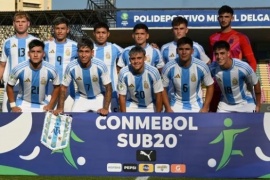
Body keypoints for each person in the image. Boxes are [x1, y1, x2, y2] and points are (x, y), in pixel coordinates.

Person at [209, 5, 258, 112]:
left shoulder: (241, 37)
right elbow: (213, 60)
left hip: (237, 84)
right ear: (218, 19)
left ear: (232, 18)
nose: (223, 19)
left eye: (227, 17)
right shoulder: (213, 38)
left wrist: (247, 80)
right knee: (213, 120)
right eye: (221, 17)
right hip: (218, 84)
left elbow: (252, 61)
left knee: (247, 120)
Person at [54, 37, 112, 115]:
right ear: (77, 52)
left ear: (92, 53)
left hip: (98, 97)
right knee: (74, 120)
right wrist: (60, 107)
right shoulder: (71, 66)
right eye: (81, 51)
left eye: (87, 52)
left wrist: (105, 108)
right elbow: (63, 87)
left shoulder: (101, 65)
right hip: (81, 97)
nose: (83, 55)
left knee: (106, 118)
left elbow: (108, 87)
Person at [162, 37, 214, 112]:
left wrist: (205, 107)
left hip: (196, 106)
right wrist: (168, 108)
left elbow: (210, 86)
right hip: (175, 105)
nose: (184, 52)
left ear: (192, 51)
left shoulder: (202, 66)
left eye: (187, 49)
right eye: (181, 49)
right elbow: (163, 88)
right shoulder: (168, 67)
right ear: (177, 51)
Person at [6, 39, 60, 112]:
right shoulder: (18, 68)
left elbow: (57, 87)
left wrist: (51, 105)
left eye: (38, 52)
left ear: (43, 54)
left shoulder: (51, 69)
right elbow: (9, 86)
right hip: (23, 103)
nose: (35, 55)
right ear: (28, 54)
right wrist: (13, 106)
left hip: (43, 105)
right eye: (33, 51)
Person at [0, 12, 38, 112]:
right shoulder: (7, 42)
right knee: (7, 117)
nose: (20, 24)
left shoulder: (36, 41)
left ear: (28, 23)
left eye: (23, 21)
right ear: (14, 24)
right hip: (10, 87)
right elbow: (2, 65)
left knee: (29, 119)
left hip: (29, 87)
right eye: (18, 22)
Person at [210, 40, 261, 112]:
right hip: (225, 105)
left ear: (228, 53)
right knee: (218, 122)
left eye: (222, 53)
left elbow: (256, 83)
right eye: (216, 54)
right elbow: (203, 79)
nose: (219, 57)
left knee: (251, 122)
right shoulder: (213, 68)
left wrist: (258, 105)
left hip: (245, 103)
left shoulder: (243, 67)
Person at [44, 17, 77, 111]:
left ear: (68, 30)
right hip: (49, 88)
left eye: (62, 28)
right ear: (53, 30)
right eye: (57, 28)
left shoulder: (75, 46)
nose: (60, 31)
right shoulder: (46, 45)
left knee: (67, 118)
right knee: (47, 117)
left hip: (68, 89)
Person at [118, 46, 163, 112]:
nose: (136, 61)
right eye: (133, 59)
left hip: (151, 105)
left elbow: (159, 95)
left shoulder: (153, 71)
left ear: (144, 58)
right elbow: (122, 96)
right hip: (132, 105)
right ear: (129, 60)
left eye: (139, 58)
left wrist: (158, 117)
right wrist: (124, 116)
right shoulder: (123, 72)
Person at [92, 22, 123, 112]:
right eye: (98, 33)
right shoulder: (89, 49)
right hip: (95, 94)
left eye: (103, 32)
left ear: (108, 34)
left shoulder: (114, 48)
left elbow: (130, 54)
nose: (101, 35)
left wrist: (119, 68)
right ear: (94, 34)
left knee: (113, 121)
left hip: (112, 92)